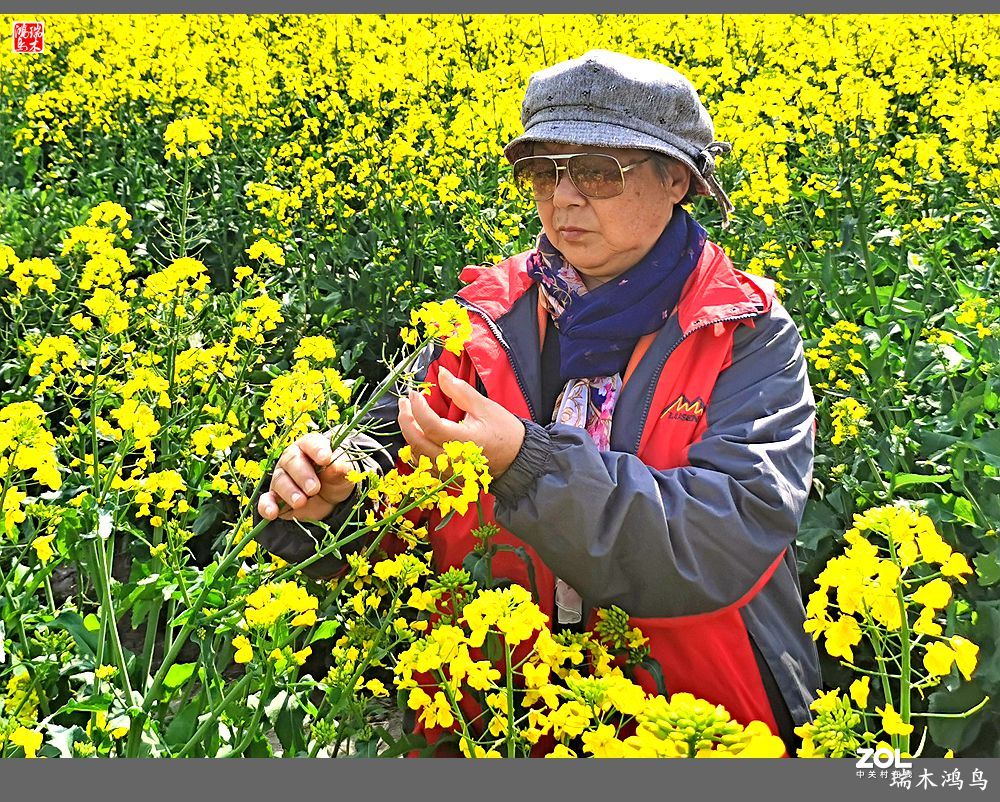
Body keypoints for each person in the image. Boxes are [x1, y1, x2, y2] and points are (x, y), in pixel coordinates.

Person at [255, 49, 820, 755]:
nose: (563, 198)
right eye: (541, 172)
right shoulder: (480, 317)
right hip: (493, 720)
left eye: (594, 172)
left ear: (677, 178)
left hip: (697, 727)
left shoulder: (746, 333)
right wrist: (326, 498)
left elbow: (726, 537)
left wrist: (527, 464)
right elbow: (382, 472)